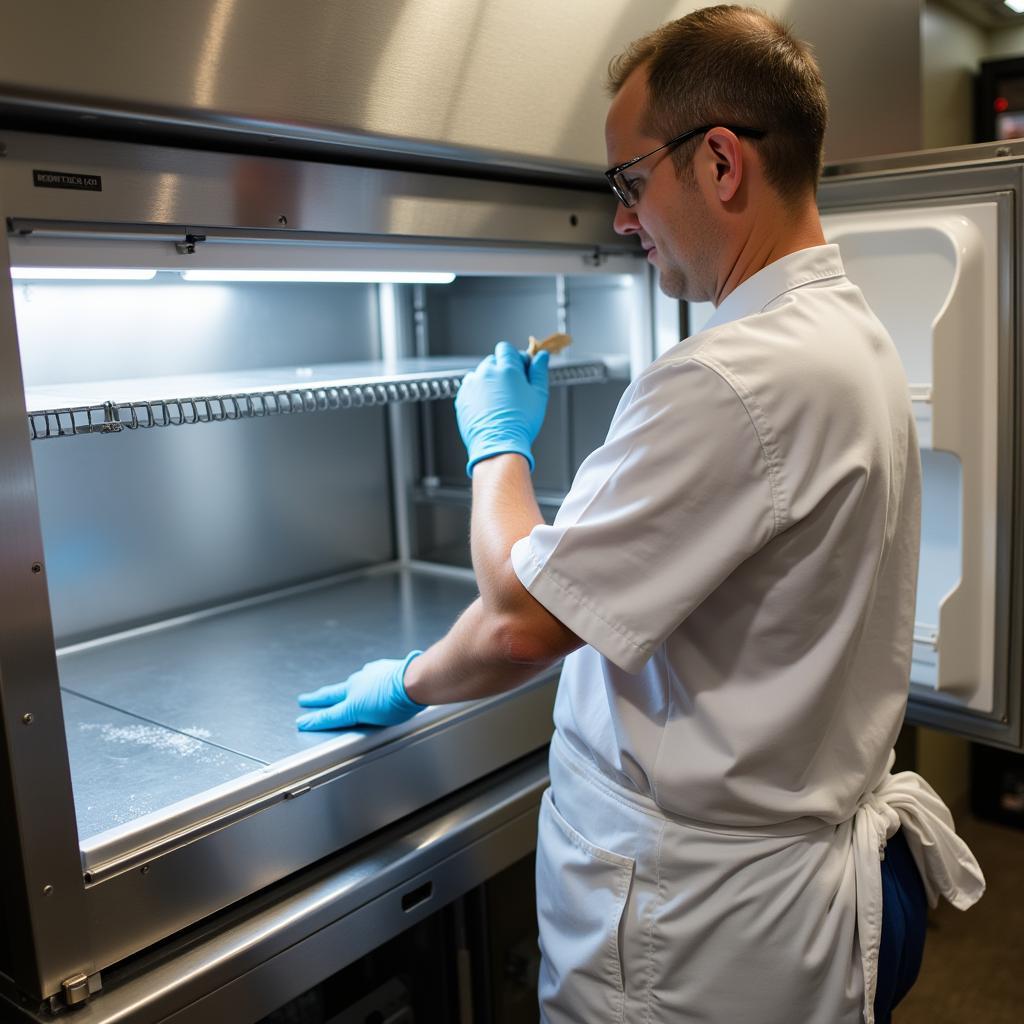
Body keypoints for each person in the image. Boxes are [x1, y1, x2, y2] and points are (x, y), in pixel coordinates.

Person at [296, 6, 985, 1022]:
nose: (621, 219)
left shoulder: (730, 378)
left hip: (697, 937)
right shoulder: (845, 332)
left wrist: (495, 449)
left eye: (627, 180)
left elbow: (520, 618)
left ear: (719, 164)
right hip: (785, 892)